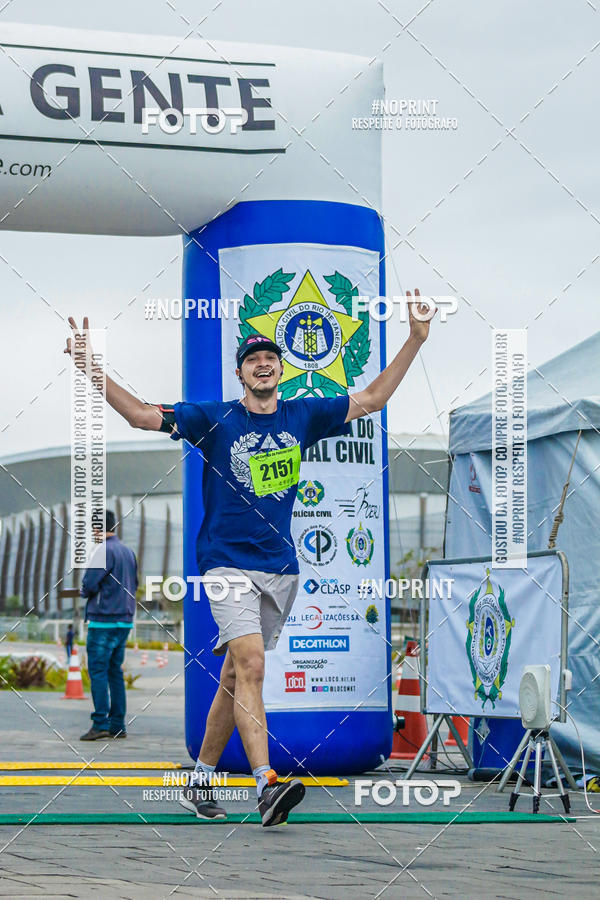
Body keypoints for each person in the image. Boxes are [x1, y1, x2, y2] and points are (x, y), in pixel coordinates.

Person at [65, 291, 434, 824]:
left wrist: (415, 340)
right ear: (241, 374)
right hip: (224, 563)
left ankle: (199, 781)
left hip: (282, 569)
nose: (263, 364)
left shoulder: (304, 415)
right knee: (254, 665)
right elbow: (143, 417)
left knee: (236, 678)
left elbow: (373, 397)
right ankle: (266, 785)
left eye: (271, 358)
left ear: (281, 370)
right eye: (252, 359)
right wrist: (90, 369)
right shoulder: (214, 419)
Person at [78, 510, 138, 741]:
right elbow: (135, 583)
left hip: (103, 620)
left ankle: (100, 722)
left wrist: (84, 590)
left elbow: (90, 583)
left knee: (99, 672)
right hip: (124, 620)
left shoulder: (103, 550)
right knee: (115, 672)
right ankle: (118, 724)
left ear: (96, 529)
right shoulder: (127, 552)